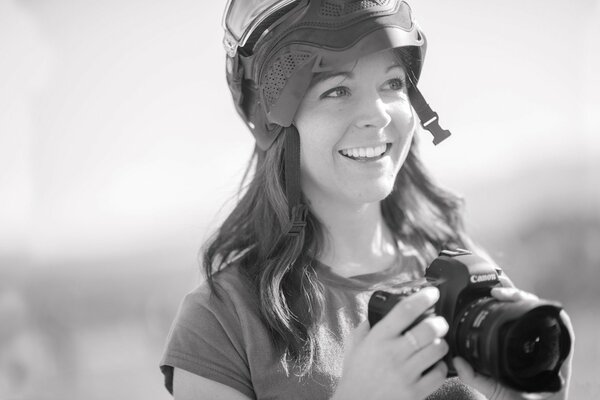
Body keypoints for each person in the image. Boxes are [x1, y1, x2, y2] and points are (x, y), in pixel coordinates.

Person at [160, 1, 574, 399]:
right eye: (337, 90)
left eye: (392, 83)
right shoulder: (221, 322)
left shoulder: (464, 272)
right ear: (277, 125)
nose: (377, 113)